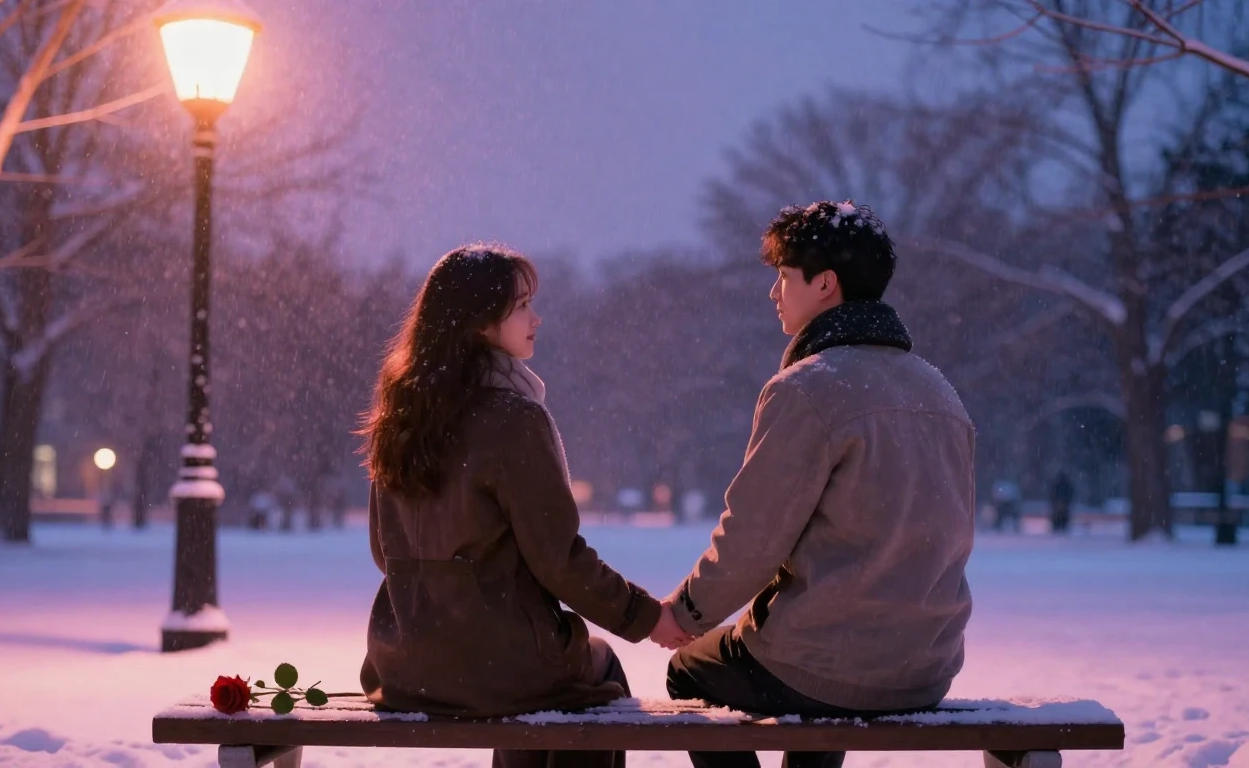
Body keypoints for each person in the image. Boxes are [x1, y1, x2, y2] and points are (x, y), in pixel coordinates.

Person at [651, 202, 977, 768]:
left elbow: (754, 536)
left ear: (825, 283)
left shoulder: (808, 388)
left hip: (827, 663)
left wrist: (686, 614)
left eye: (783, 277)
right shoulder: (939, 392)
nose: (773, 293)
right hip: (927, 666)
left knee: (691, 672)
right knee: (822, 671)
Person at [357, 244, 675, 768]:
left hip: (400, 665)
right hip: (495, 664)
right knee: (594, 677)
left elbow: (382, 551)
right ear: (482, 321)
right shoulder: (513, 419)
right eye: (522, 305)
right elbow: (558, 561)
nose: (536, 318)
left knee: (536, 684)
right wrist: (646, 618)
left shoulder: (401, 416)